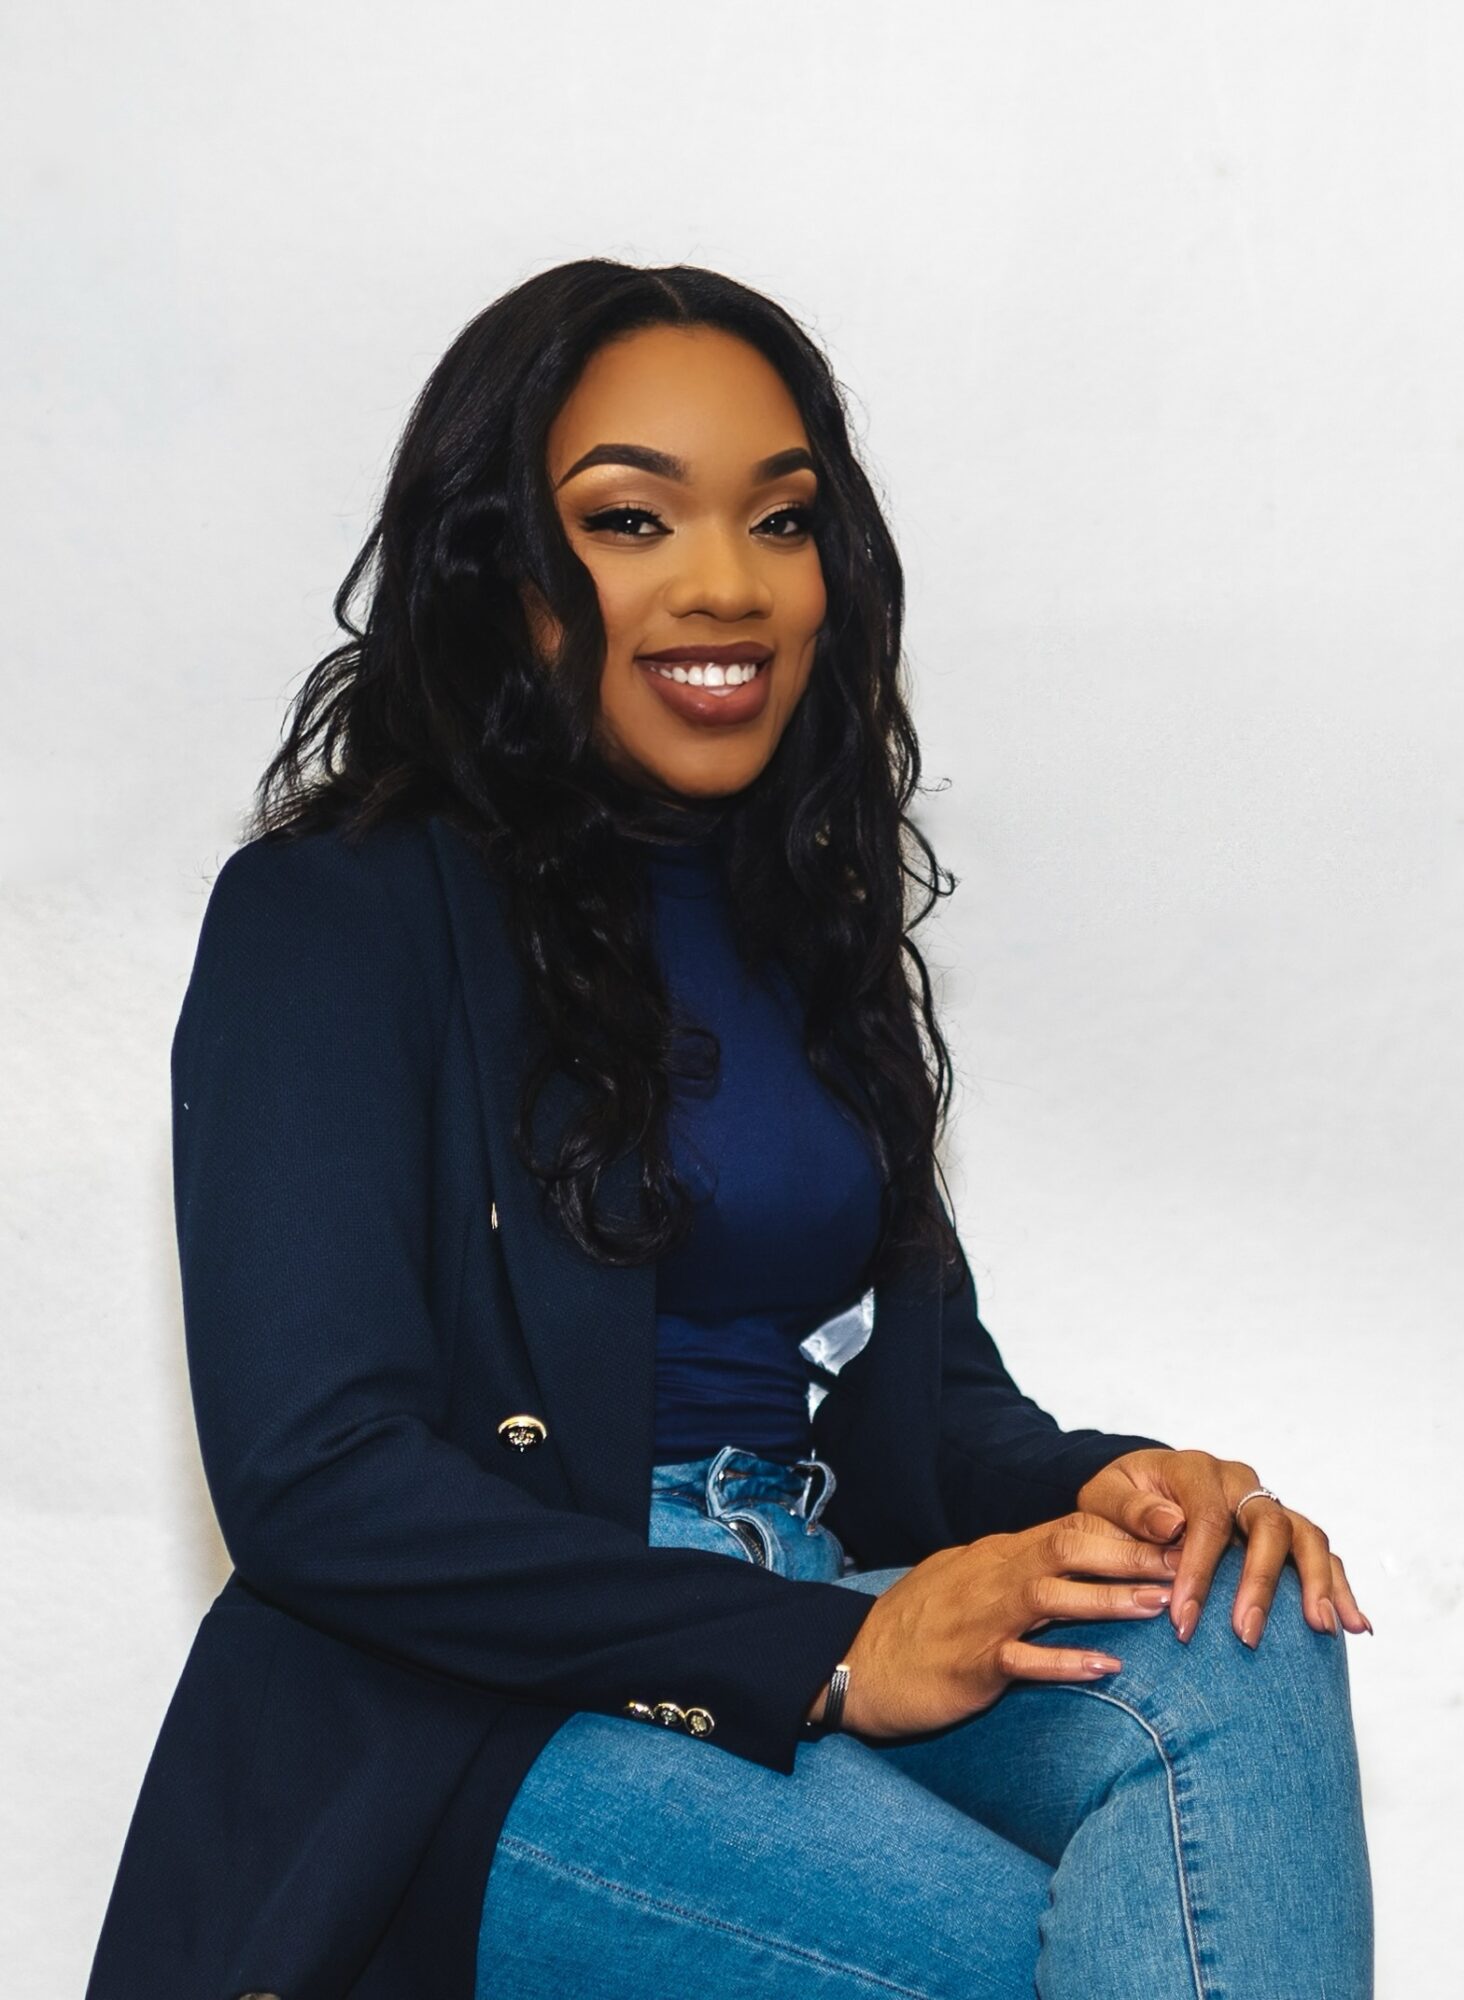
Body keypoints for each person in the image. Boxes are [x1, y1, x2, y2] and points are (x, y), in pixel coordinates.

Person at [86, 260, 1374, 2000]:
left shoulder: (806, 920)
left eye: (782, 522)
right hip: (488, 1711)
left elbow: (926, 1402)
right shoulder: (331, 919)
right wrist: (833, 1651)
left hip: (825, 1590)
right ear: (497, 572)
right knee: (1021, 1962)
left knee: (1247, 1628)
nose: (727, 585)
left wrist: (1116, 1491)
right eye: (630, 519)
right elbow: (319, 1486)